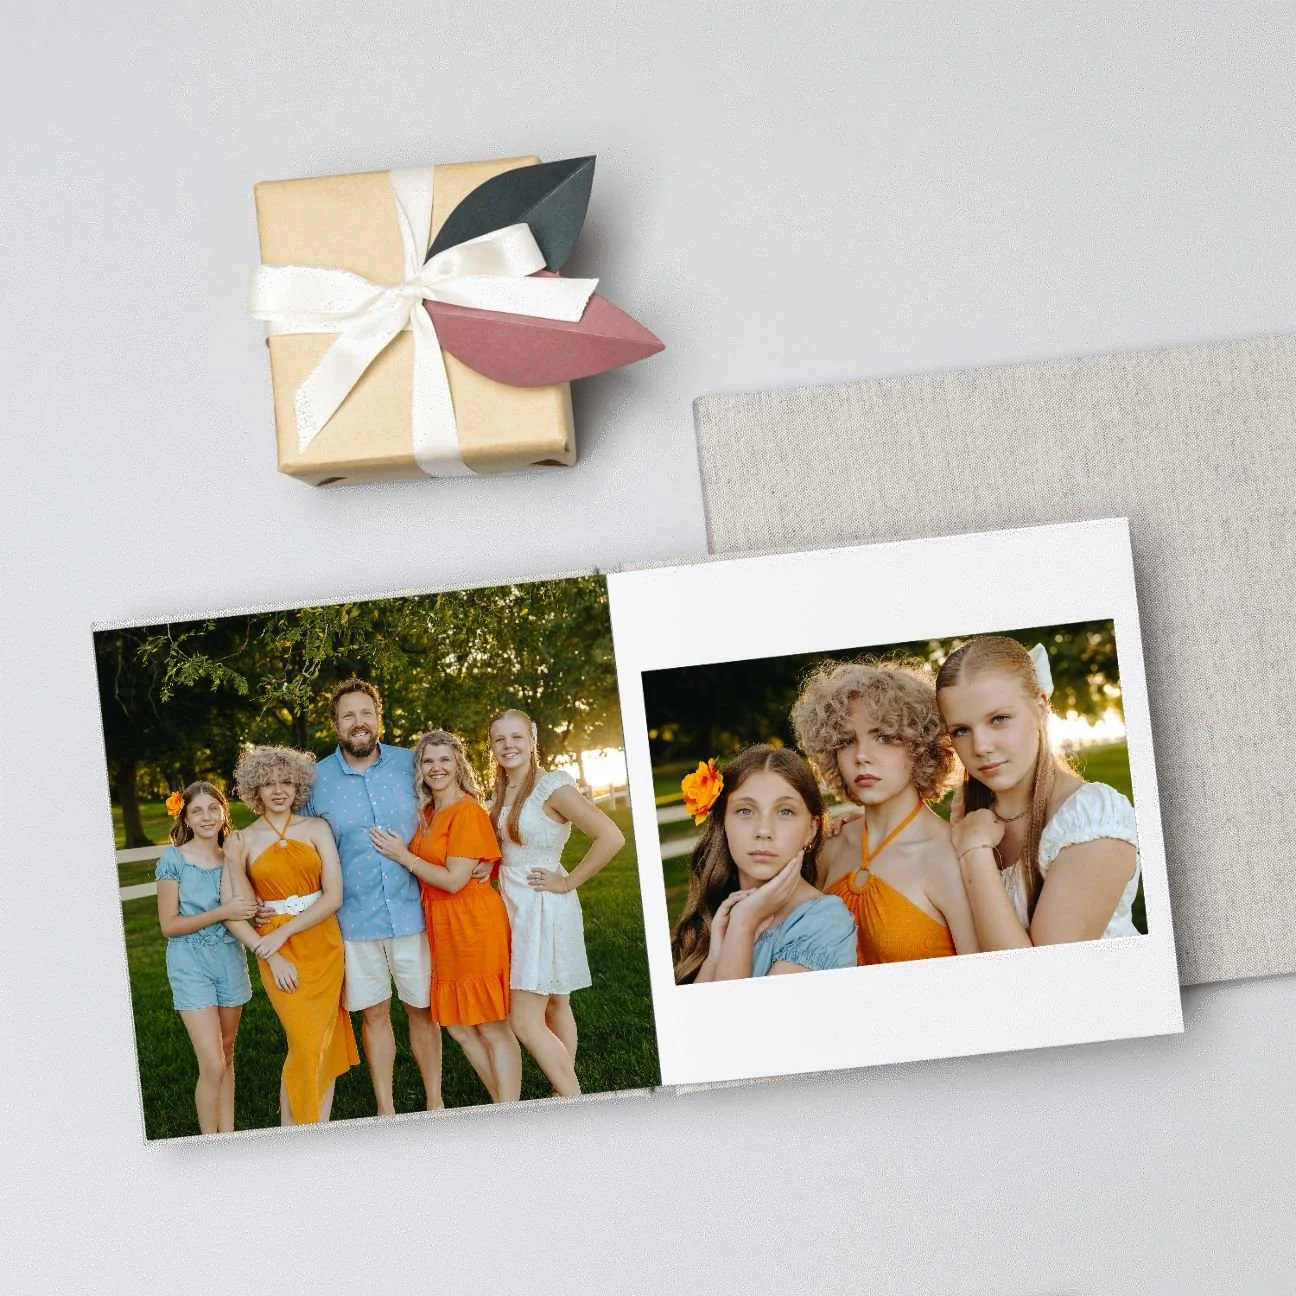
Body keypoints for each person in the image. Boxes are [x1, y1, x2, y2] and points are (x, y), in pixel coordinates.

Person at [935, 637, 1140, 949]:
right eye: (961, 730)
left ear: (1041, 708)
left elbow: (1041, 975)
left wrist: (974, 852)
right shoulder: (969, 811)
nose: (981, 747)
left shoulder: (1093, 821)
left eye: (999, 719)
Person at [302, 678, 442, 1114]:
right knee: (375, 1014)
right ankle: (386, 1109)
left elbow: (450, 808)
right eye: (348, 715)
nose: (358, 722)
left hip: (413, 911)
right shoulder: (315, 781)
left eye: (366, 713)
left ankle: (435, 1102)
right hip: (353, 921)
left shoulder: (411, 764)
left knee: (421, 1010)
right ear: (335, 724)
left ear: (379, 717)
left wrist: (472, 858)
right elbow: (301, 847)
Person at [791, 659, 979, 963]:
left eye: (885, 737)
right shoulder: (830, 845)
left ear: (921, 746)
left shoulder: (951, 857)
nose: (862, 756)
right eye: (846, 741)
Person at [371, 729, 522, 1104]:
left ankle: (512, 1113)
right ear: (419, 768)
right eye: (428, 761)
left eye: (444, 760)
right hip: (443, 926)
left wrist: (402, 856)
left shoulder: (466, 811)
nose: (436, 767)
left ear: (458, 765)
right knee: (458, 1026)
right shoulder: (428, 813)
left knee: (492, 1025)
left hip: (472, 921)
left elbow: (454, 880)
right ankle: (503, 1104)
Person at [487, 707, 626, 1097]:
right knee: (555, 1002)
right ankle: (560, 1089)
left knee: (525, 1020)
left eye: (517, 737)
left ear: (532, 741)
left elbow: (611, 836)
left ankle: (572, 1096)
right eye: (500, 739)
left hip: (542, 904)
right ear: (491, 746)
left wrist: (567, 882)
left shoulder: (552, 787)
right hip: (512, 901)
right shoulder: (500, 790)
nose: (508, 745)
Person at [225, 746, 359, 1125]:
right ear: (255, 790)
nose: (278, 790)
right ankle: (298, 1129)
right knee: (304, 1041)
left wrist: (283, 933)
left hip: (322, 944)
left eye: (286, 781)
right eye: (268, 783)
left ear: (298, 785)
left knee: (321, 1040)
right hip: (277, 954)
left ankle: (311, 1126)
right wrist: (270, 952)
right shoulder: (242, 840)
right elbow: (235, 914)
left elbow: (333, 896)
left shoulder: (316, 828)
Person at [671, 745, 857, 984]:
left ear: (811, 829)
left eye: (785, 812)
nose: (763, 830)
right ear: (723, 822)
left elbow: (733, 1009)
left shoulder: (826, 923)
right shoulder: (715, 915)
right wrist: (715, 959)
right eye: (745, 811)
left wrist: (743, 925)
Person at [154, 782, 258, 1134]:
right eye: (197, 811)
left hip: (229, 961)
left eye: (213, 808)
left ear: (224, 812)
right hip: (190, 964)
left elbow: (247, 906)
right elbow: (169, 925)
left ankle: (227, 1135)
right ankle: (208, 1141)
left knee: (227, 1054)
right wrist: (222, 912)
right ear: (185, 817)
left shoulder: (232, 856)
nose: (207, 816)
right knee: (212, 1063)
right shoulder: (173, 860)